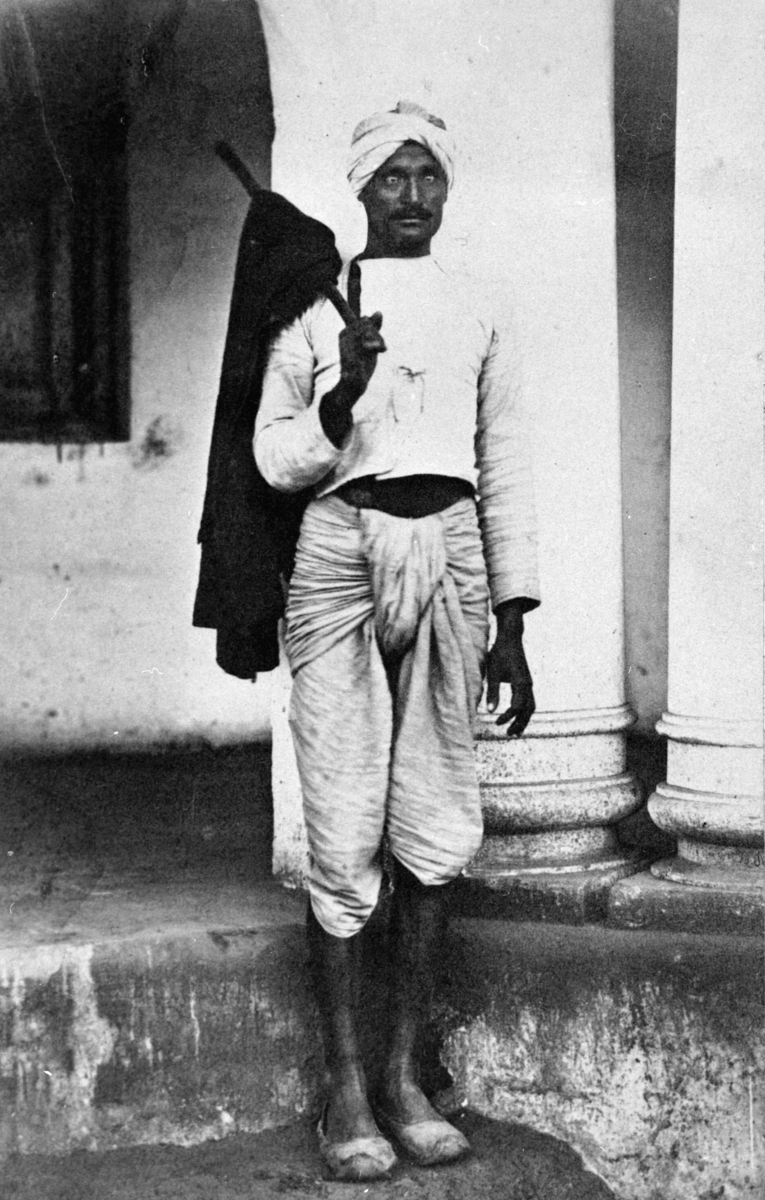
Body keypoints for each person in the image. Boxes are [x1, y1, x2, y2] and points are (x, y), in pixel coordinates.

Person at [254, 101, 540, 1181]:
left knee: (433, 820)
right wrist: (345, 395)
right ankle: (345, 1088)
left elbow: (502, 463)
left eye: (427, 176)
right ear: (361, 188)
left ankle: (405, 1075)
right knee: (342, 828)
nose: (411, 195)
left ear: (445, 188)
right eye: (392, 177)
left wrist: (511, 621)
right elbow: (274, 460)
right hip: (337, 558)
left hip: (452, 552)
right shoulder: (312, 312)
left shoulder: (477, 308)